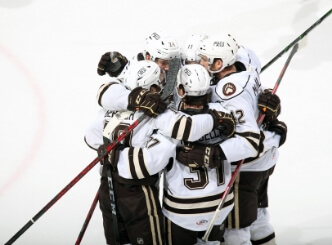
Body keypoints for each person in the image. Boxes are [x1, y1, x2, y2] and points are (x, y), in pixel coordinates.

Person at [85, 61, 233, 244]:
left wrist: (110, 154)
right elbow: (146, 164)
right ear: (153, 87)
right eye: (161, 82)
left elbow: (90, 135)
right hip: (139, 193)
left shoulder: (111, 107)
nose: (164, 86)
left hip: (107, 184)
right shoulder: (161, 117)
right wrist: (216, 119)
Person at [197, 33, 287, 245]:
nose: (200, 62)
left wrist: (214, 153)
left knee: (236, 231)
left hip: (246, 168)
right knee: (258, 219)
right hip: (264, 163)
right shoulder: (246, 65)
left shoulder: (229, 91)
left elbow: (249, 140)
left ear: (219, 63)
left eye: (204, 59)